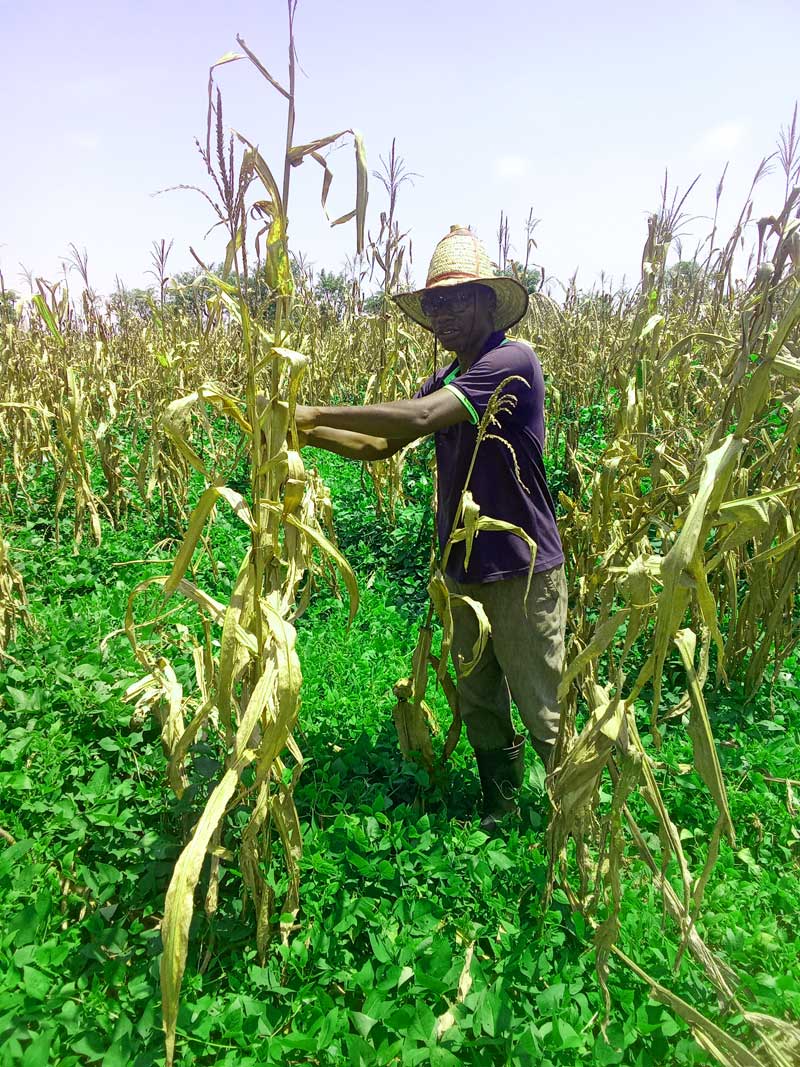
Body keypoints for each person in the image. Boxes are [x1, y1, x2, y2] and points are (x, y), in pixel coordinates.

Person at [295, 225, 566, 831]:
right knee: (479, 698)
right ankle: (500, 806)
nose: (443, 314)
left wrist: (311, 410)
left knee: (544, 703)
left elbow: (419, 418)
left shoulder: (510, 362)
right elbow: (377, 445)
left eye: (457, 300)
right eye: (435, 303)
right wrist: (306, 433)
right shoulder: (446, 380)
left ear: (488, 304)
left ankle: (572, 824)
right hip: (462, 567)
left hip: (521, 569)